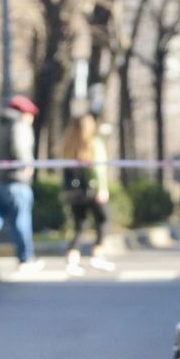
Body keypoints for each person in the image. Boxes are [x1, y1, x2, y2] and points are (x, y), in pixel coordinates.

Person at [59, 113, 115, 275]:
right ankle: (97, 253)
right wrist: (102, 187)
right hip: (92, 190)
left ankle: (72, 258)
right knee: (104, 220)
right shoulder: (94, 143)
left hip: (74, 192)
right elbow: (98, 169)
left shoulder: (69, 144)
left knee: (80, 225)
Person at [0, 95, 40, 272]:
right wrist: (26, 166)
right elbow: (20, 148)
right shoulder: (19, 126)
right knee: (21, 220)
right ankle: (26, 258)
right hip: (16, 181)